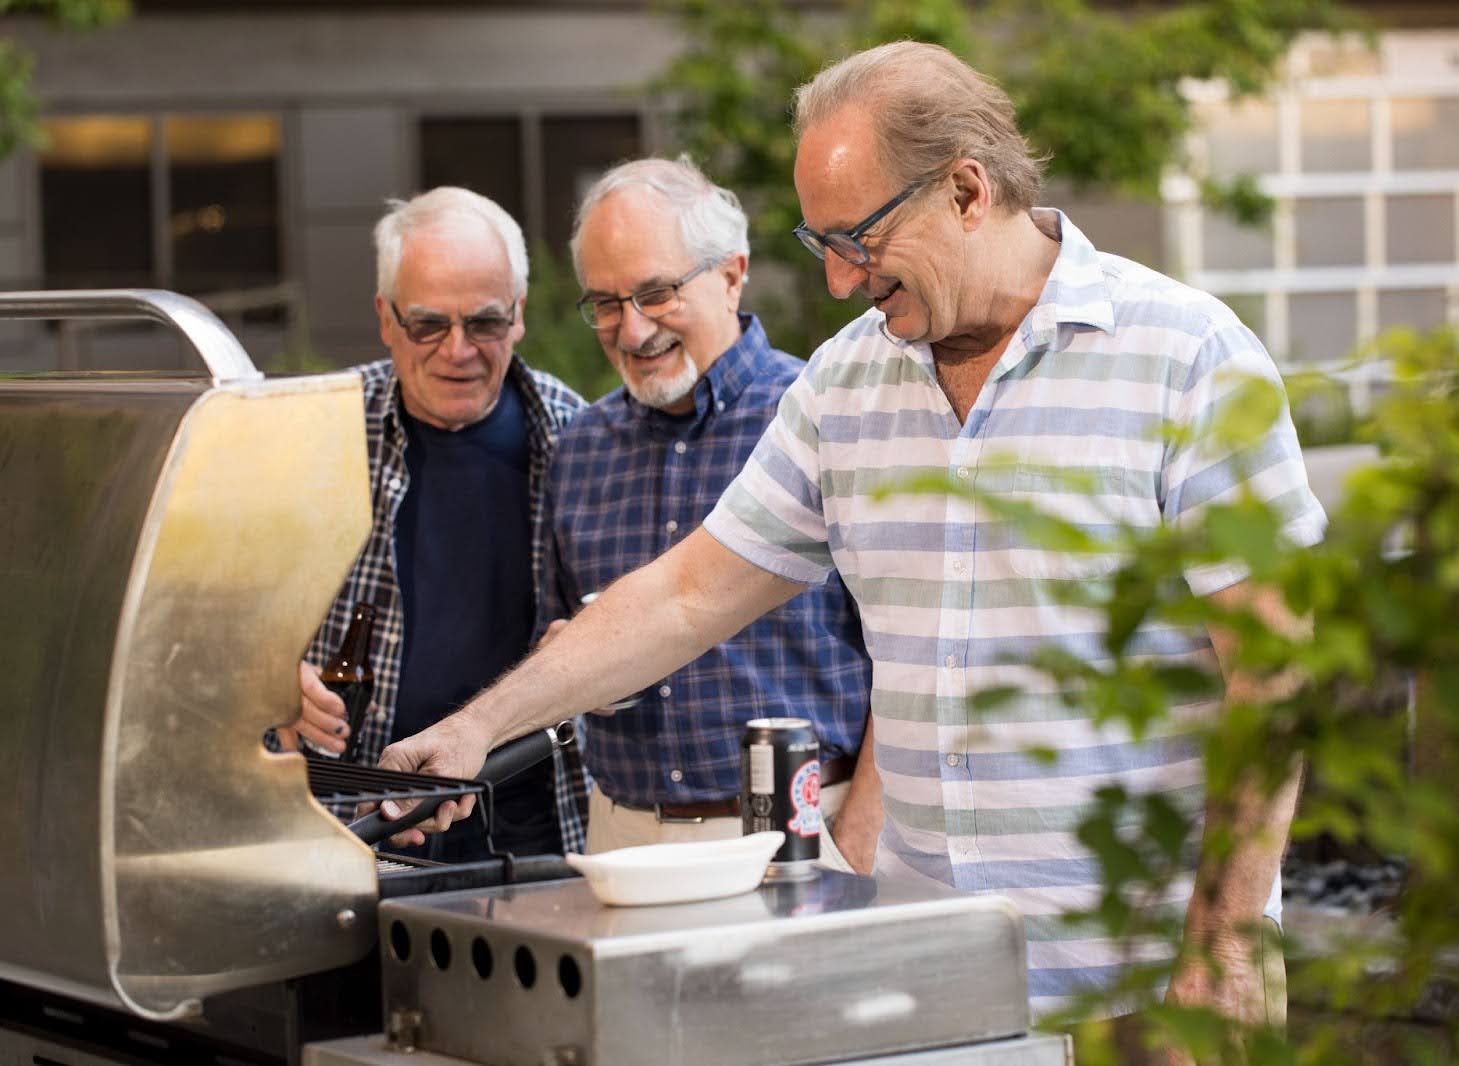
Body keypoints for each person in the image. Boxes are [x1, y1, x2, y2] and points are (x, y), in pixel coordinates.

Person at [375, 42, 1326, 1037]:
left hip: (1139, 984)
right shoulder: (845, 382)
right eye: (819, 241)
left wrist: (1225, 938)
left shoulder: (1187, 358)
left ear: (966, 190)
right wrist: (476, 730)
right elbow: (687, 594)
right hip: (925, 980)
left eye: (858, 238)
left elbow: (1275, 672)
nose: (836, 280)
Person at [539, 157, 878, 869]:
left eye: (656, 292)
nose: (631, 330)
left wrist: (858, 843)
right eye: (604, 302)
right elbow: (557, 632)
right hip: (623, 842)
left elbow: (907, 660)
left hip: (807, 833)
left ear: (731, 273)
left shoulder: (823, 417)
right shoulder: (578, 451)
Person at [276, 185, 588, 862]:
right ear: (385, 319)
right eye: (427, 325)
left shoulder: (580, 436)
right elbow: (208, 607)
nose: (457, 350)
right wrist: (267, 680)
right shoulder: (309, 430)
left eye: (483, 323)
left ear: (520, 316)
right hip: (344, 816)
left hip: (531, 816)